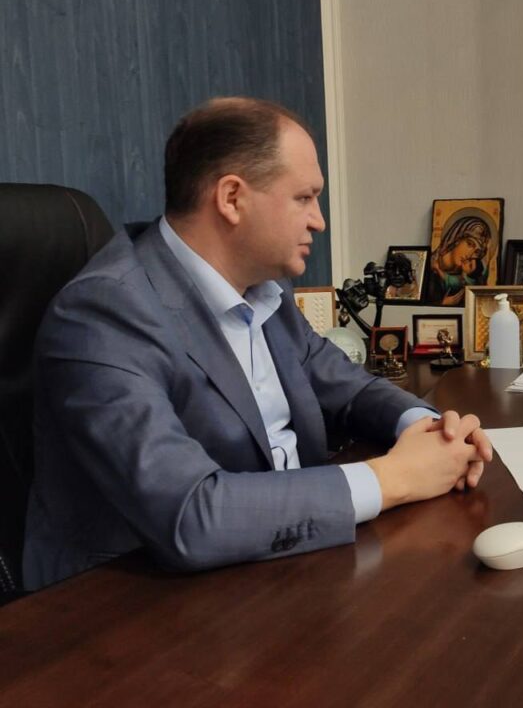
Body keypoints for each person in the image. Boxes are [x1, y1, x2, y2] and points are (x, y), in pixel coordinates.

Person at [23, 97, 493, 590]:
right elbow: (190, 515)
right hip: (129, 601)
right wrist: (394, 478)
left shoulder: (264, 288)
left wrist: (429, 430)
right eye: (304, 198)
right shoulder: (103, 313)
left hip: (282, 563)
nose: (319, 221)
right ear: (231, 198)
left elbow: (347, 385)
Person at [428, 215, 492, 305]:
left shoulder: (466, 279)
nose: (470, 255)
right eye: (469, 244)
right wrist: (442, 303)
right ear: (456, 239)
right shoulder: (428, 266)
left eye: (476, 252)